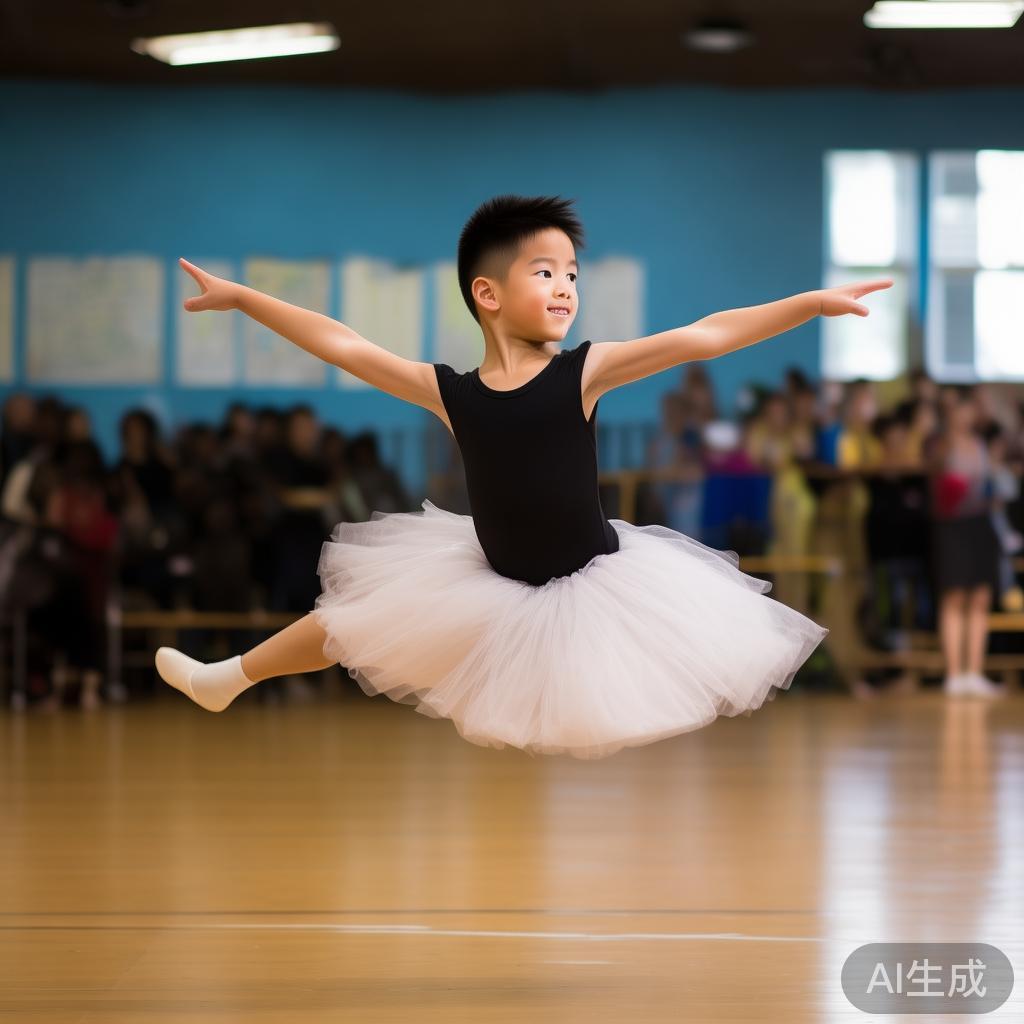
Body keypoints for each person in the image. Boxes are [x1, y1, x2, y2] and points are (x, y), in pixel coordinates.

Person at [156, 194, 891, 759]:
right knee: (348, 623)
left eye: (572, 273)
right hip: (494, 583)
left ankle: (232, 678)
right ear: (488, 294)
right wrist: (246, 298)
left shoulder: (587, 371)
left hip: (597, 582)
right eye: (546, 272)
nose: (567, 287)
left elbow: (701, 337)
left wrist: (811, 305)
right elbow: (344, 345)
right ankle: (230, 678)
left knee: (574, 696)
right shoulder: (450, 392)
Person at [926, 389, 1005, 698]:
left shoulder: (980, 444)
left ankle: (974, 671)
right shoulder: (941, 444)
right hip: (951, 527)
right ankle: (954, 673)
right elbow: (934, 479)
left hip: (979, 524)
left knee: (981, 597)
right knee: (954, 597)